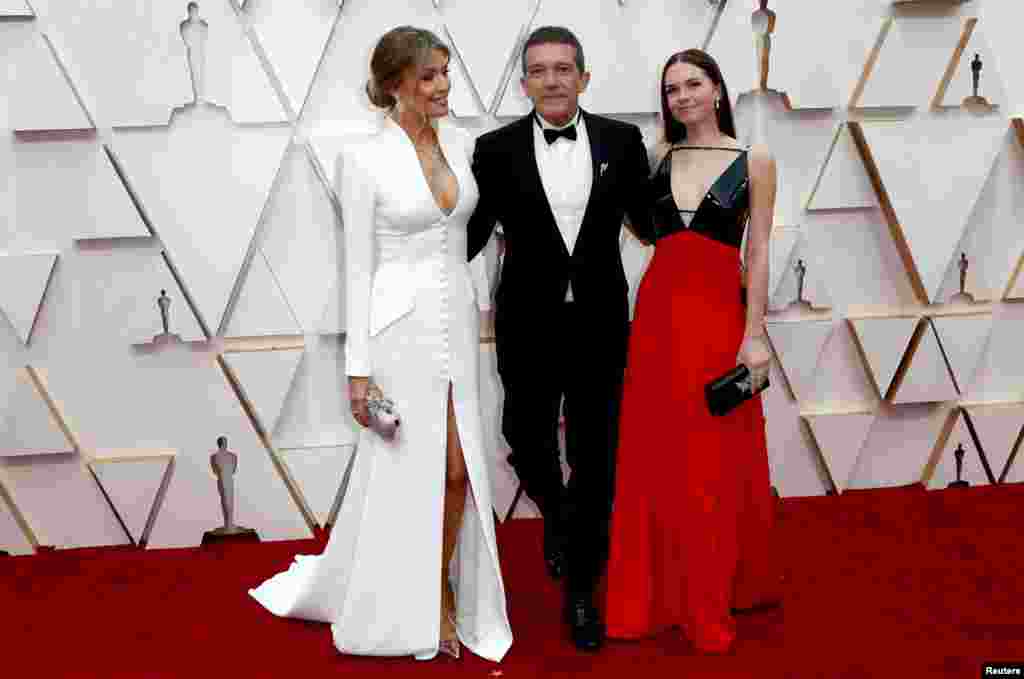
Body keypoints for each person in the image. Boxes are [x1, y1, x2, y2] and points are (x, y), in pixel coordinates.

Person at [248, 26, 512, 664]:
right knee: (407, 473)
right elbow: (359, 267)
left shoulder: (465, 143)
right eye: (428, 76)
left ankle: (441, 585)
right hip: (399, 331)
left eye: (445, 72)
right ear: (394, 85)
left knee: (460, 470)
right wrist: (357, 372)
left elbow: (467, 239)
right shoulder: (362, 157)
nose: (444, 85)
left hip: (455, 324)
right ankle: (417, 602)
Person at [467, 26, 650, 651]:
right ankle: (566, 524)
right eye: (539, 70)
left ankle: (580, 593)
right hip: (526, 320)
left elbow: (652, 221)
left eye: (563, 68)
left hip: (600, 321)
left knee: (598, 453)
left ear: (584, 76)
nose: (552, 80)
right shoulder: (493, 150)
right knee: (525, 438)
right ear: (524, 82)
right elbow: (470, 235)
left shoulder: (623, 142)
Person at [604, 48, 780, 654]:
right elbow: (642, 231)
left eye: (693, 84)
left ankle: (709, 592)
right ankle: (656, 594)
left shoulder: (753, 158)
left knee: (711, 456)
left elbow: (756, 252)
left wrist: (754, 332)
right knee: (658, 454)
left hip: (716, 318)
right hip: (657, 318)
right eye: (672, 88)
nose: (682, 96)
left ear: (718, 90)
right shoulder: (657, 158)